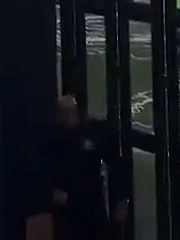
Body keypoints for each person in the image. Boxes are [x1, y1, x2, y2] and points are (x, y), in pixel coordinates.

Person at [48, 95, 128, 240]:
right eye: (64, 113)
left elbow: (115, 162)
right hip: (68, 208)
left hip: (93, 204)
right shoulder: (55, 138)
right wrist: (53, 191)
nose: (68, 117)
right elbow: (44, 171)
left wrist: (121, 199)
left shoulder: (92, 131)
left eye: (71, 112)